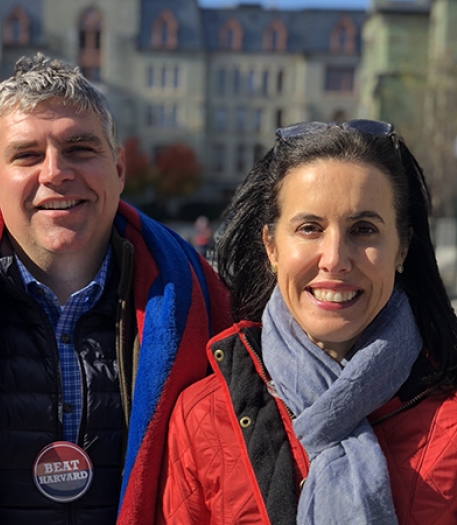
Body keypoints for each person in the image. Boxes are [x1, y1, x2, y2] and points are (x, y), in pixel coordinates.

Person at [0, 54, 231, 525]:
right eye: (27, 155)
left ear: (119, 168)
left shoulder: (208, 308)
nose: (55, 172)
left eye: (80, 148)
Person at [158, 120, 457, 525]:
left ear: (401, 248)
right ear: (272, 246)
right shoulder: (204, 416)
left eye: (364, 229)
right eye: (310, 228)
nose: (334, 258)